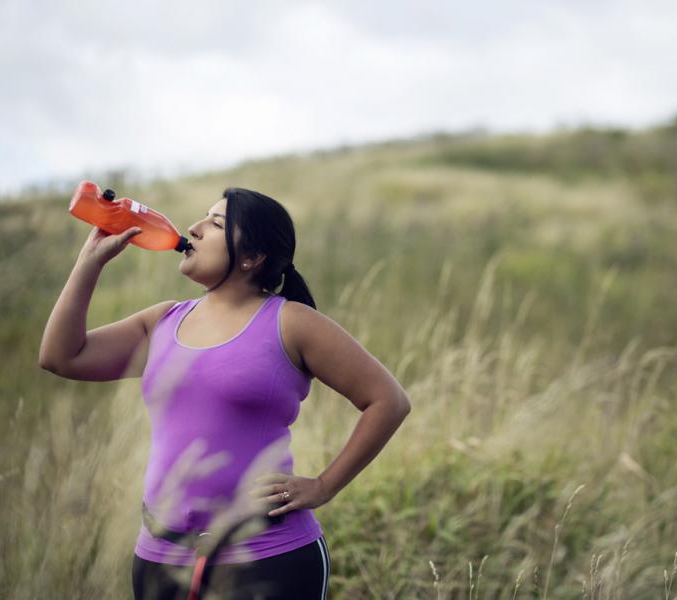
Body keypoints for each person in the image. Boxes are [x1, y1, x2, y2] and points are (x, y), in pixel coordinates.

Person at [39, 187, 412, 599]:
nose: (194, 229)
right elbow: (61, 357)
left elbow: (388, 401)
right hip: (161, 557)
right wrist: (88, 264)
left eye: (216, 224)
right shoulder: (162, 321)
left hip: (269, 558)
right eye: (203, 218)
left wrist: (324, 486)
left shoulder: (292, 322)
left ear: (251, 258)